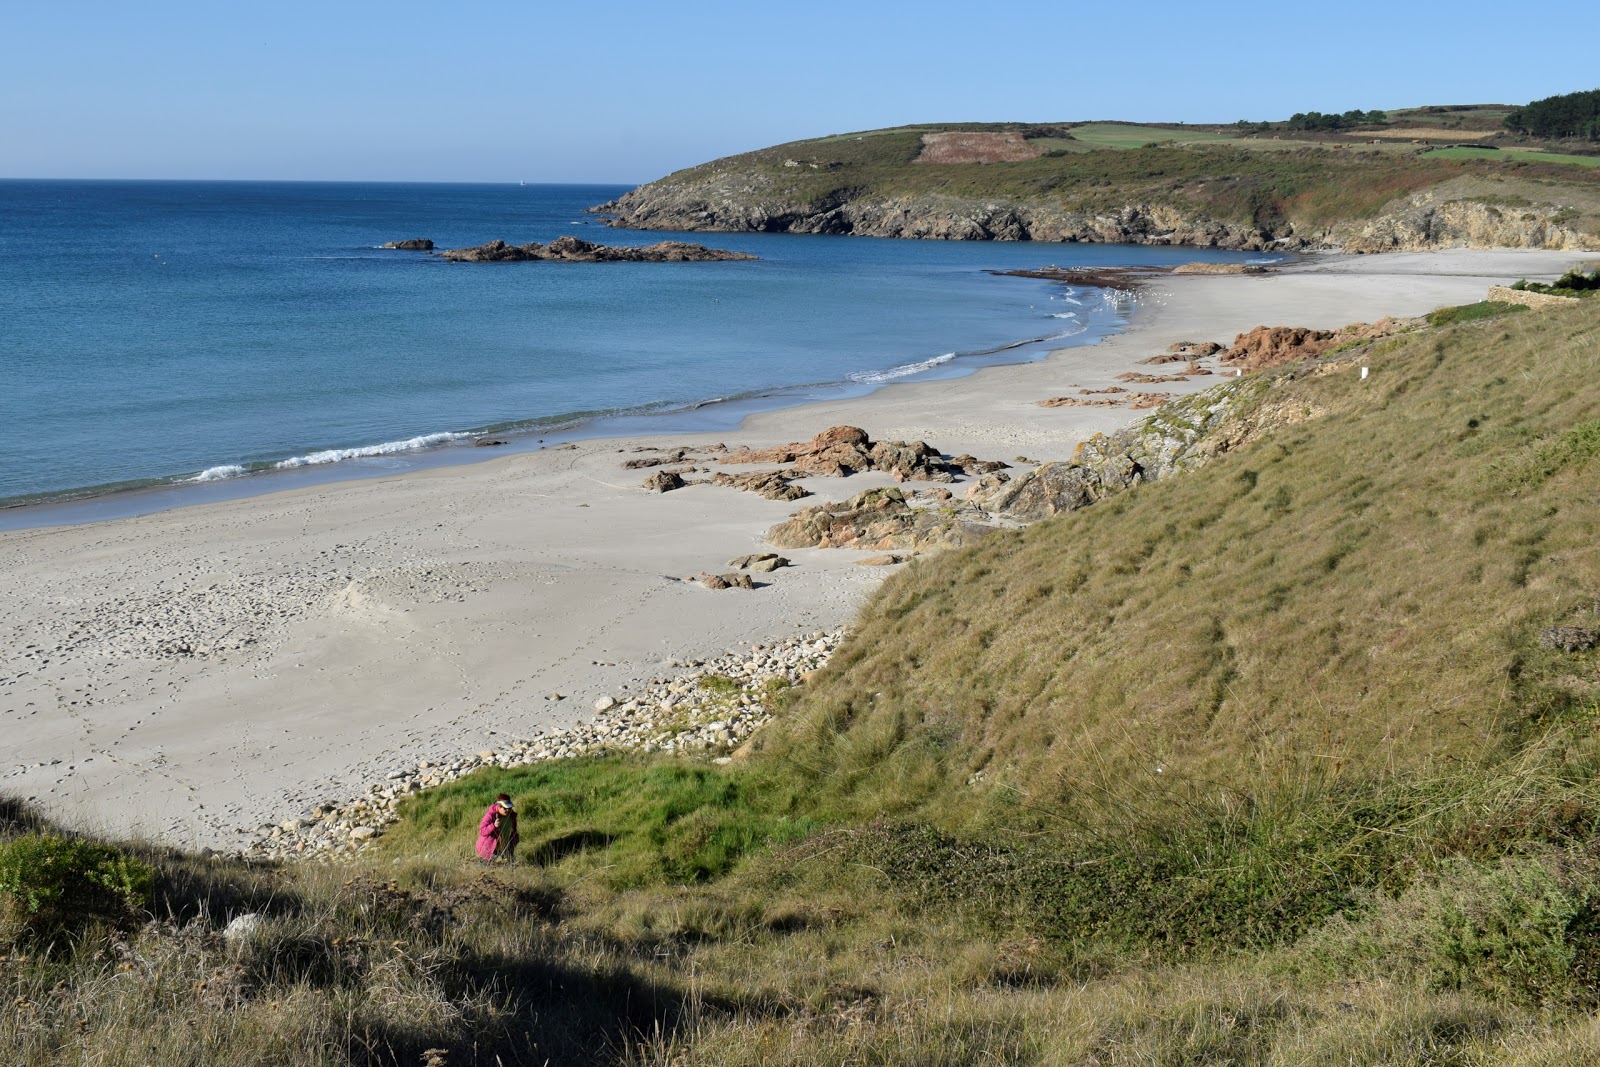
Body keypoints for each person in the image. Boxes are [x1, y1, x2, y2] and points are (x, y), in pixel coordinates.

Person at [475, 794, 519, 863]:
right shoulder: (490, 815)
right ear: (498, 807)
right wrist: (493, 825)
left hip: (503, 849)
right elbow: (482, 831)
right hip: (488, 850)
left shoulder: (511, 816)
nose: (507, 810)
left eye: (509, 808)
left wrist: (515, 840)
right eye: (505, 808)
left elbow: (514, 831)